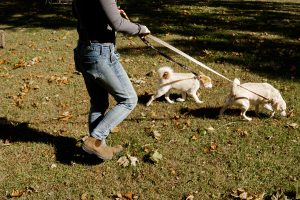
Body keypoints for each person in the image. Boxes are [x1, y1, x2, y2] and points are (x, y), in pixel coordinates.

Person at [72, 0, 150, 160]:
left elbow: (79, 13)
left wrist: (108, 12)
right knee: (129, 100)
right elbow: (118, 24)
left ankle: (96, 149)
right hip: (99, 53)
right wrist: (141, 29)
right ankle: (95, 139)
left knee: (99, 102)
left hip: (84, 50)